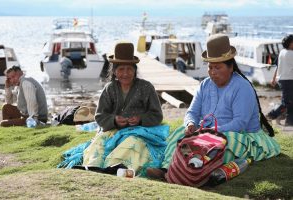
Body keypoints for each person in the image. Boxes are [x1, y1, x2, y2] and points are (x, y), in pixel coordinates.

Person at [147, 34, 280, 181]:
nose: (212, 72)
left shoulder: (242, 87)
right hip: (206, 132)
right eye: (210, 67)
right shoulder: (205, 85)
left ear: (230, 67)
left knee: (223, 142)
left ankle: (194, 172)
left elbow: (240, 123)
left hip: (239, 134)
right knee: (180, 133)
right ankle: (167, 169)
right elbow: (192, 112)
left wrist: (211, 132)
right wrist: (191, 123)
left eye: (217, 67)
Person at [79, 42, 167, 175]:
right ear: (114, 71)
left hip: (139, 132)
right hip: (113, 131)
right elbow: (100, 116)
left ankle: (113, 168)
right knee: (99, 142)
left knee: (131, 144)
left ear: (135, 70)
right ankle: (92, 168)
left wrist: (140, 119)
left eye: (129, 69)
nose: (125, 73)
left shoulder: (146, 87)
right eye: (121, 69)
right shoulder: (109, 89)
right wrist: (114, 120)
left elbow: (157, 115)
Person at [267, 34, 293, 126]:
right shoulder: (290, 54)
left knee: (288, 102)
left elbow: (278, 67)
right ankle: (270, 116)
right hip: (288, 80)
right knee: (287, 102)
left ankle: (289, 122)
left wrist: (274, 79)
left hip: (283, 79)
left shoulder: (282, 52)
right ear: (290, 44)